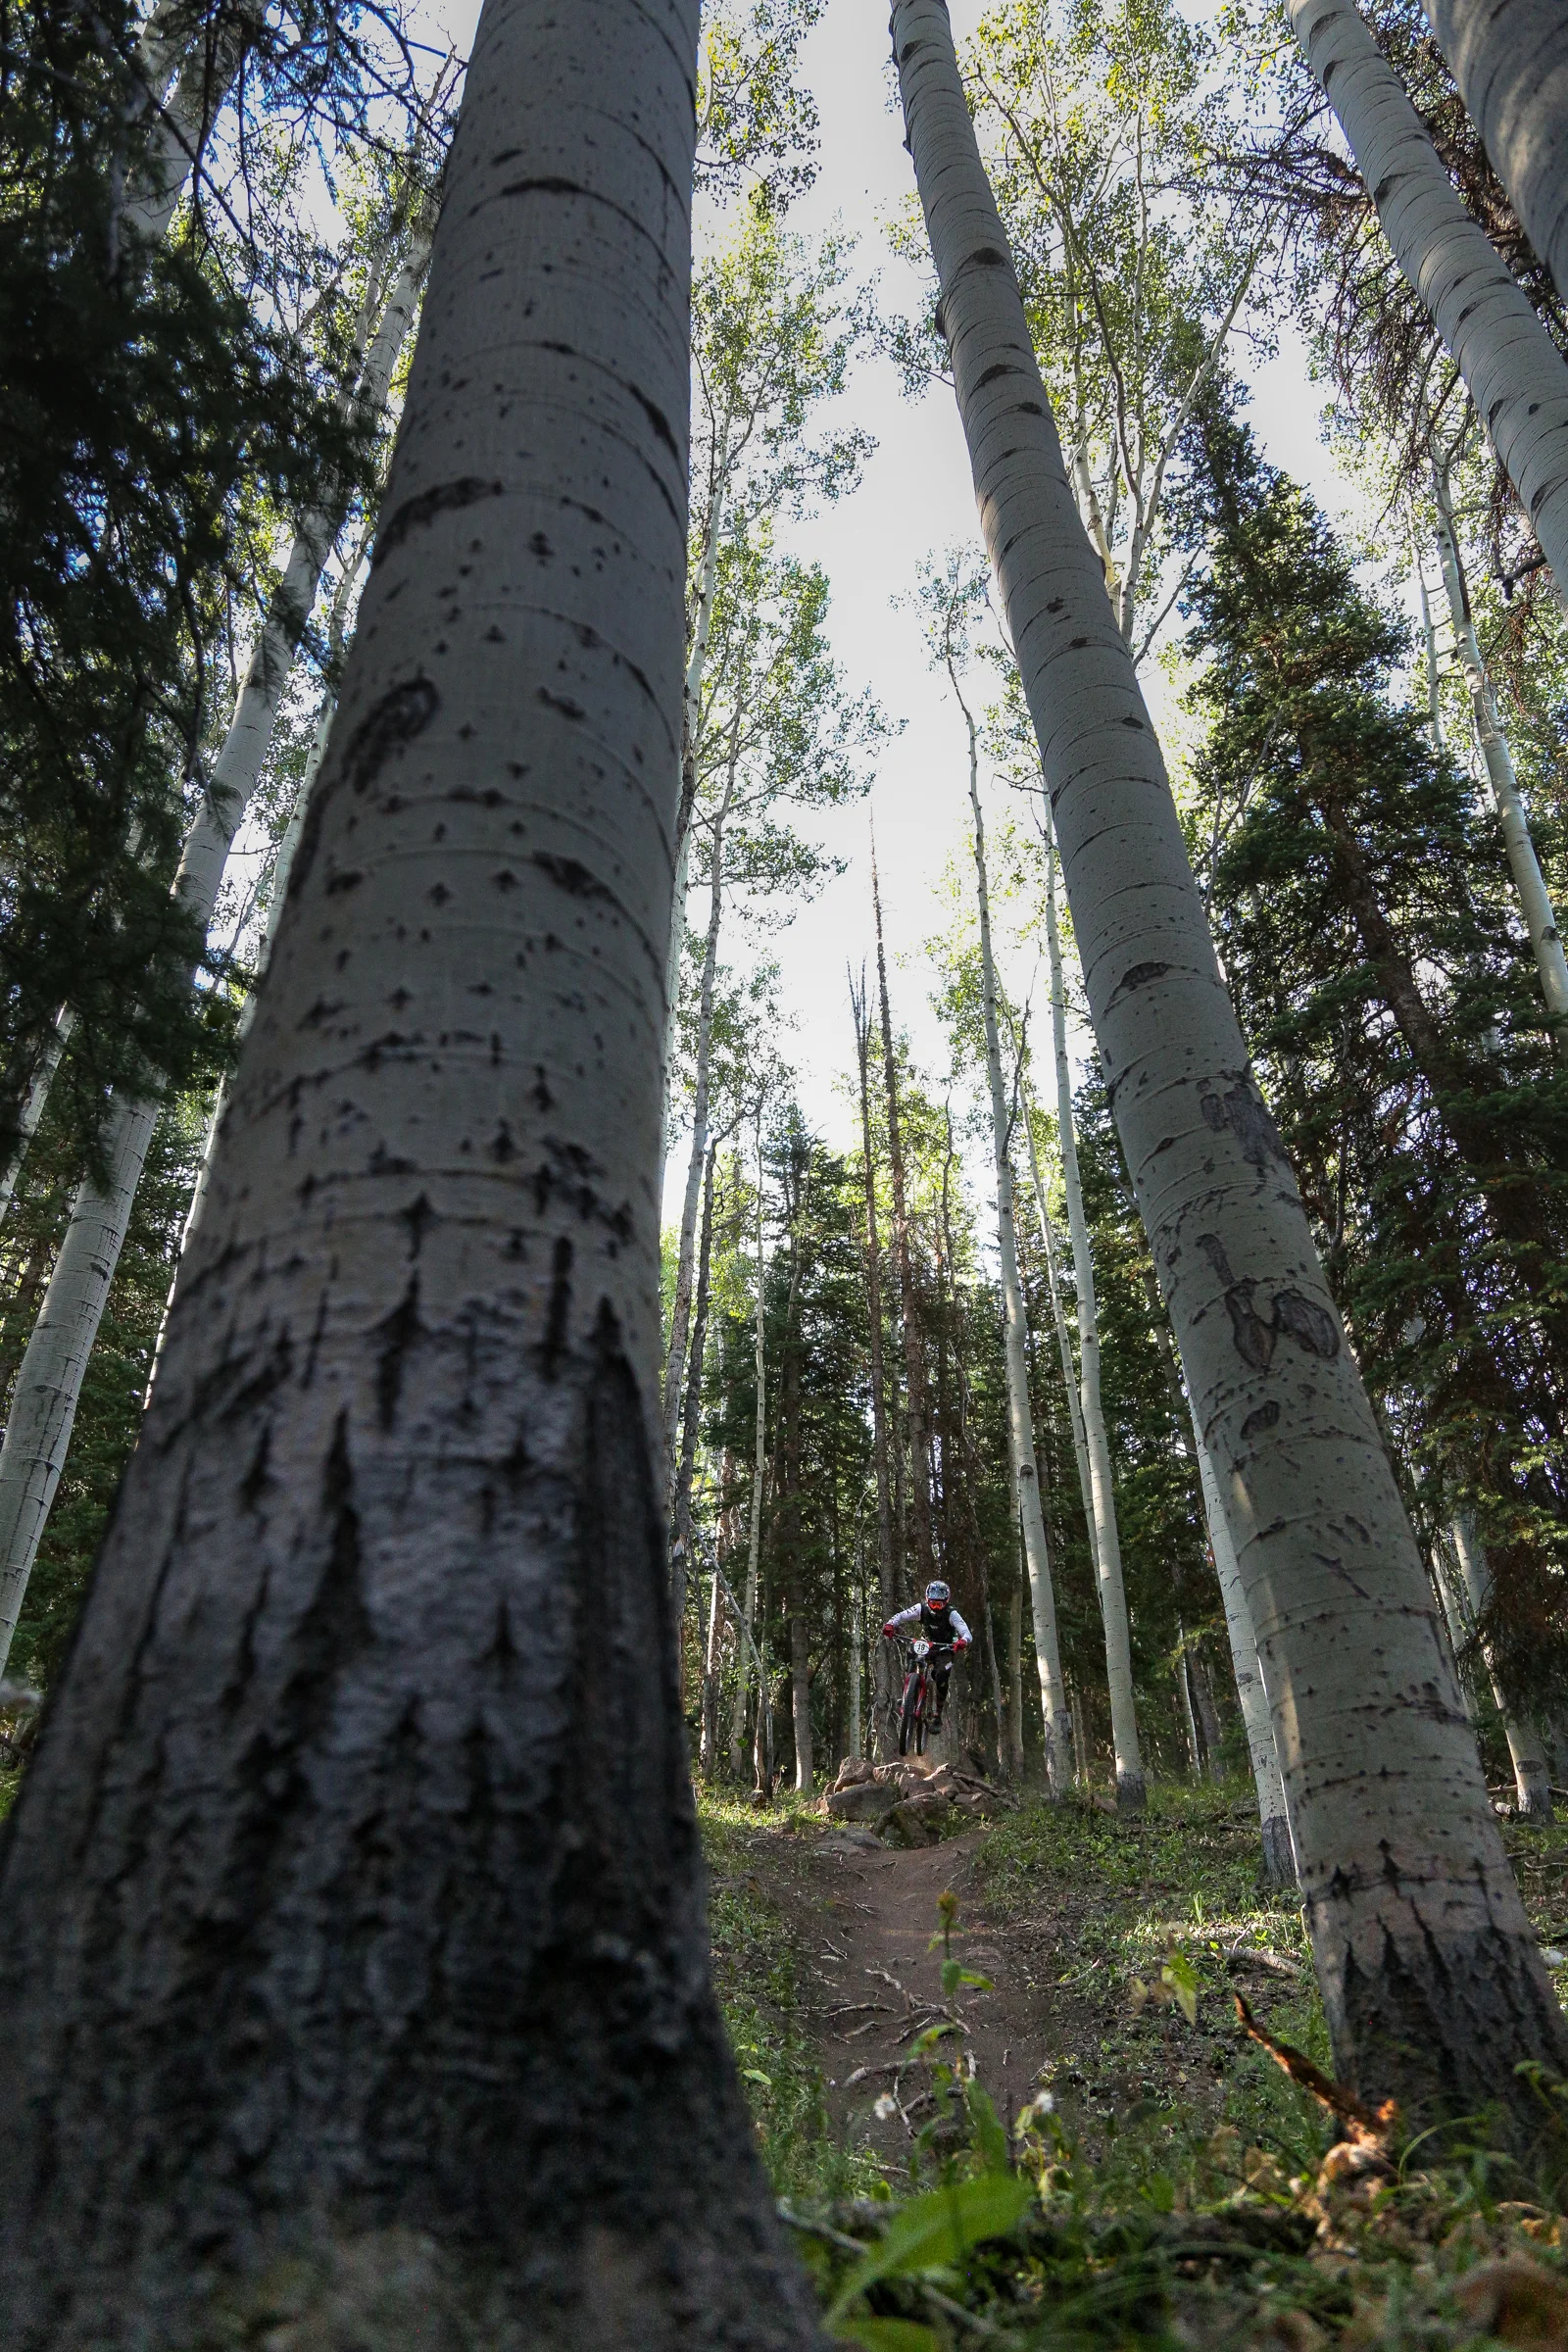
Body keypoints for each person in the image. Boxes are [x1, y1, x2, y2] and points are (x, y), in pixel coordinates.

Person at [882, 1580, 971, 1728]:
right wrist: (890, 1624)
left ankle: (938, 1714)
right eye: (933, 1603)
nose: (936, 1608)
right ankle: (908, 1695)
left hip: (945, 1648)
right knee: (911, 1652)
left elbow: (966, 1632)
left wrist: (963, 1641)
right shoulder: (921, 1608)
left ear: (946, 1602)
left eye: (939, 1605)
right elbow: (901, 1616)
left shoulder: (952, 1614)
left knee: (942, 1675)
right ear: (927, 1600)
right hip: (927, 1644)